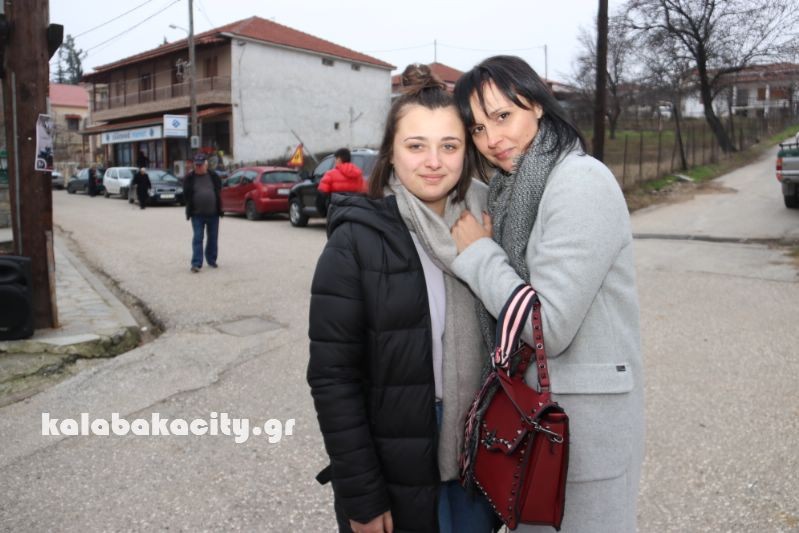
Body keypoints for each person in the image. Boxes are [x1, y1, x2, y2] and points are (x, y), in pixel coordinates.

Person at [449, 55, 645, 533]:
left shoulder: (579, 181)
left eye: (503, 116)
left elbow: (549, 325)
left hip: (581, 431)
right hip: (539, 424)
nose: (492, 139)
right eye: (478, 129)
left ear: (536, 104)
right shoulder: (513, 191)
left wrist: (479, 255)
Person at [307, 64, 497, 533]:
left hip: (478, 450)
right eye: (416, 146)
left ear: (466, 151)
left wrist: (489, 255)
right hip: (396, 456)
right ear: (391, 153)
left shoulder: (488, 223)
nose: (433, 161)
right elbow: (333, 379)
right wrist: (362, 497)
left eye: (449, 146)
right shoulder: (356, 241)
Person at [183, 153, 223, 273]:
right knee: (198, 238)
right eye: (197, 165)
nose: (198, 167)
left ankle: (211, 260)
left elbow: (219, 189)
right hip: (197, 214)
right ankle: (196, 263)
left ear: (206, 164)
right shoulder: (189, 178)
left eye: (201, 165)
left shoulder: (213, 176)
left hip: (213, 214)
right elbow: (186, 194)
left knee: (213, 238)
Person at [315, 147, 365, 216]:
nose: (335, 161)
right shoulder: (358, 174)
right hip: (354, 212)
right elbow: (363, 194)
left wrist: (323, 213)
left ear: (339, 159)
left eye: (335, 159)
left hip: (336, 213)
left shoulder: (330, 174)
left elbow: (321, 195)